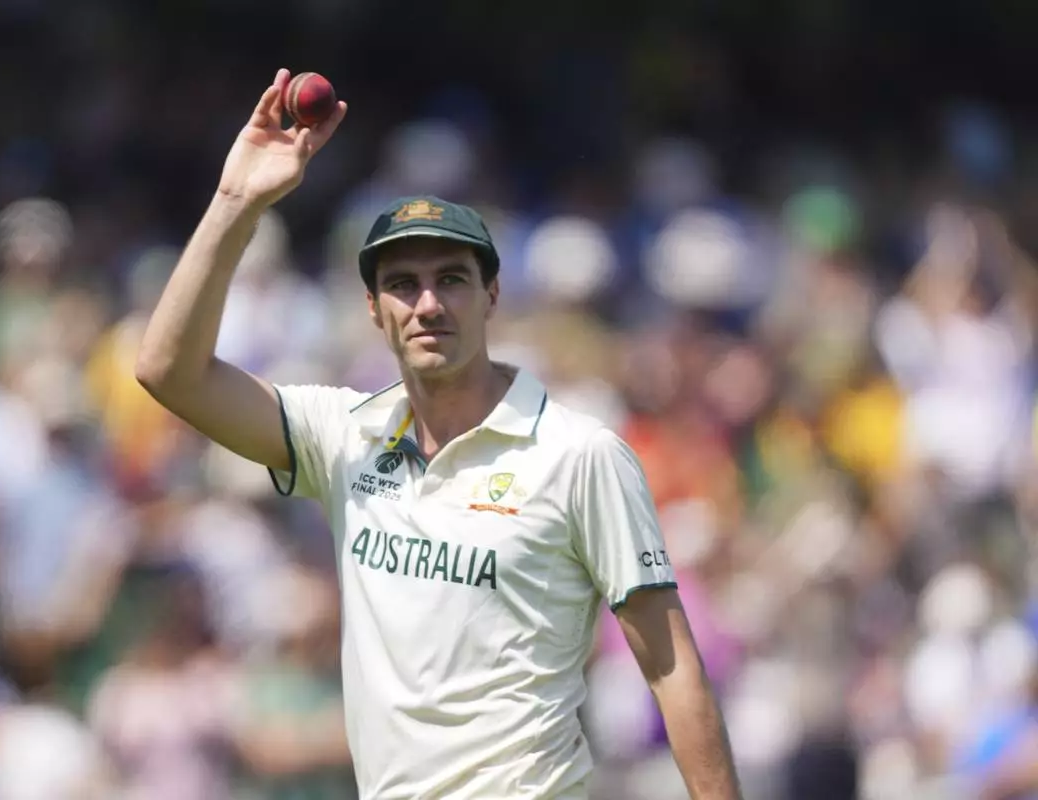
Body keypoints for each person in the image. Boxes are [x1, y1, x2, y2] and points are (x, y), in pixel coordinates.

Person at [136, 68, 743, 800]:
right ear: (373, 310)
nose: (428, 304)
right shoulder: (344, 436)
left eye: (452, 279)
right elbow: (169, 371)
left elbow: (672, 669)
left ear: (491, 295)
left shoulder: (580, 455)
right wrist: (237, 200)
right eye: (403, 285)